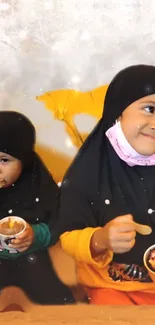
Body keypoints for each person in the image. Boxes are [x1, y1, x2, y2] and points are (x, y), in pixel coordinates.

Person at [54, 64, 155, 305]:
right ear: (117, 111)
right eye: (149, 109)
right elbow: (67, 236)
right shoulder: (88, 172)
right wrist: (101, 239)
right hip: (111, 288)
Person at [0, 111, 75, 305]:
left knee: (52, 299)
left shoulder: (37, 185)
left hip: (30, 260)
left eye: (4, 160)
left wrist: (36, 235)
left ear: (24, 161)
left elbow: (61, 221)